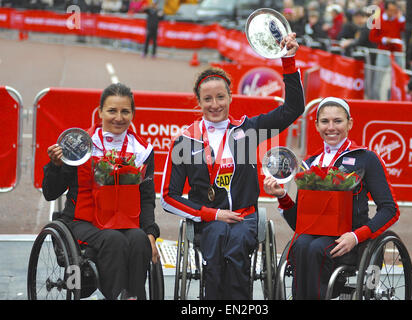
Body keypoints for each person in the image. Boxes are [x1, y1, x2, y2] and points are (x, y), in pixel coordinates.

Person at [161, 33, 304, 300]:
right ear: (198, 101)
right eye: (208, 99)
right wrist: (211, 215)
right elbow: (169, 197)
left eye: (220, 97)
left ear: (230, 97)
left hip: (245, 217)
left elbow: (294, 108)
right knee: (216, 241)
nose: (215, 105)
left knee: (236, 245)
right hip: (208, 220)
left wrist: (288, 60)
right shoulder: (185, 140)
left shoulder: (248, 130)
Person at [263, 97, 400, 300]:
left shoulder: (366, 158)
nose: (331, 127)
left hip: (352, 241)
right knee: (299, 244)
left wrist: (356, 236)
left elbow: (390, 209)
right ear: (316, 125)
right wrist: (282, 196)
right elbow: (299, 224)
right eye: (325, 121)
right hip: (314, 238)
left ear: (350, 123)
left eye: (338, 121)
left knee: (317, 248)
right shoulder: (310, 164)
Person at [42, 83, 160, 300]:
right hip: (82, 222)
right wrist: (55, 166)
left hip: (125, 221)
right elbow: (51, 193)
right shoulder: (80, 145)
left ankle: (134, 296)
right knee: (113, 240)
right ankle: (117, 296)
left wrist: (150, 233)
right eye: (112, 111)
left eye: (125, 111)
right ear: (100, 112)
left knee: (138, 239)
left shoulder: (142, 150)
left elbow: (146, 198)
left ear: (133, 114)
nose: (119, 117)